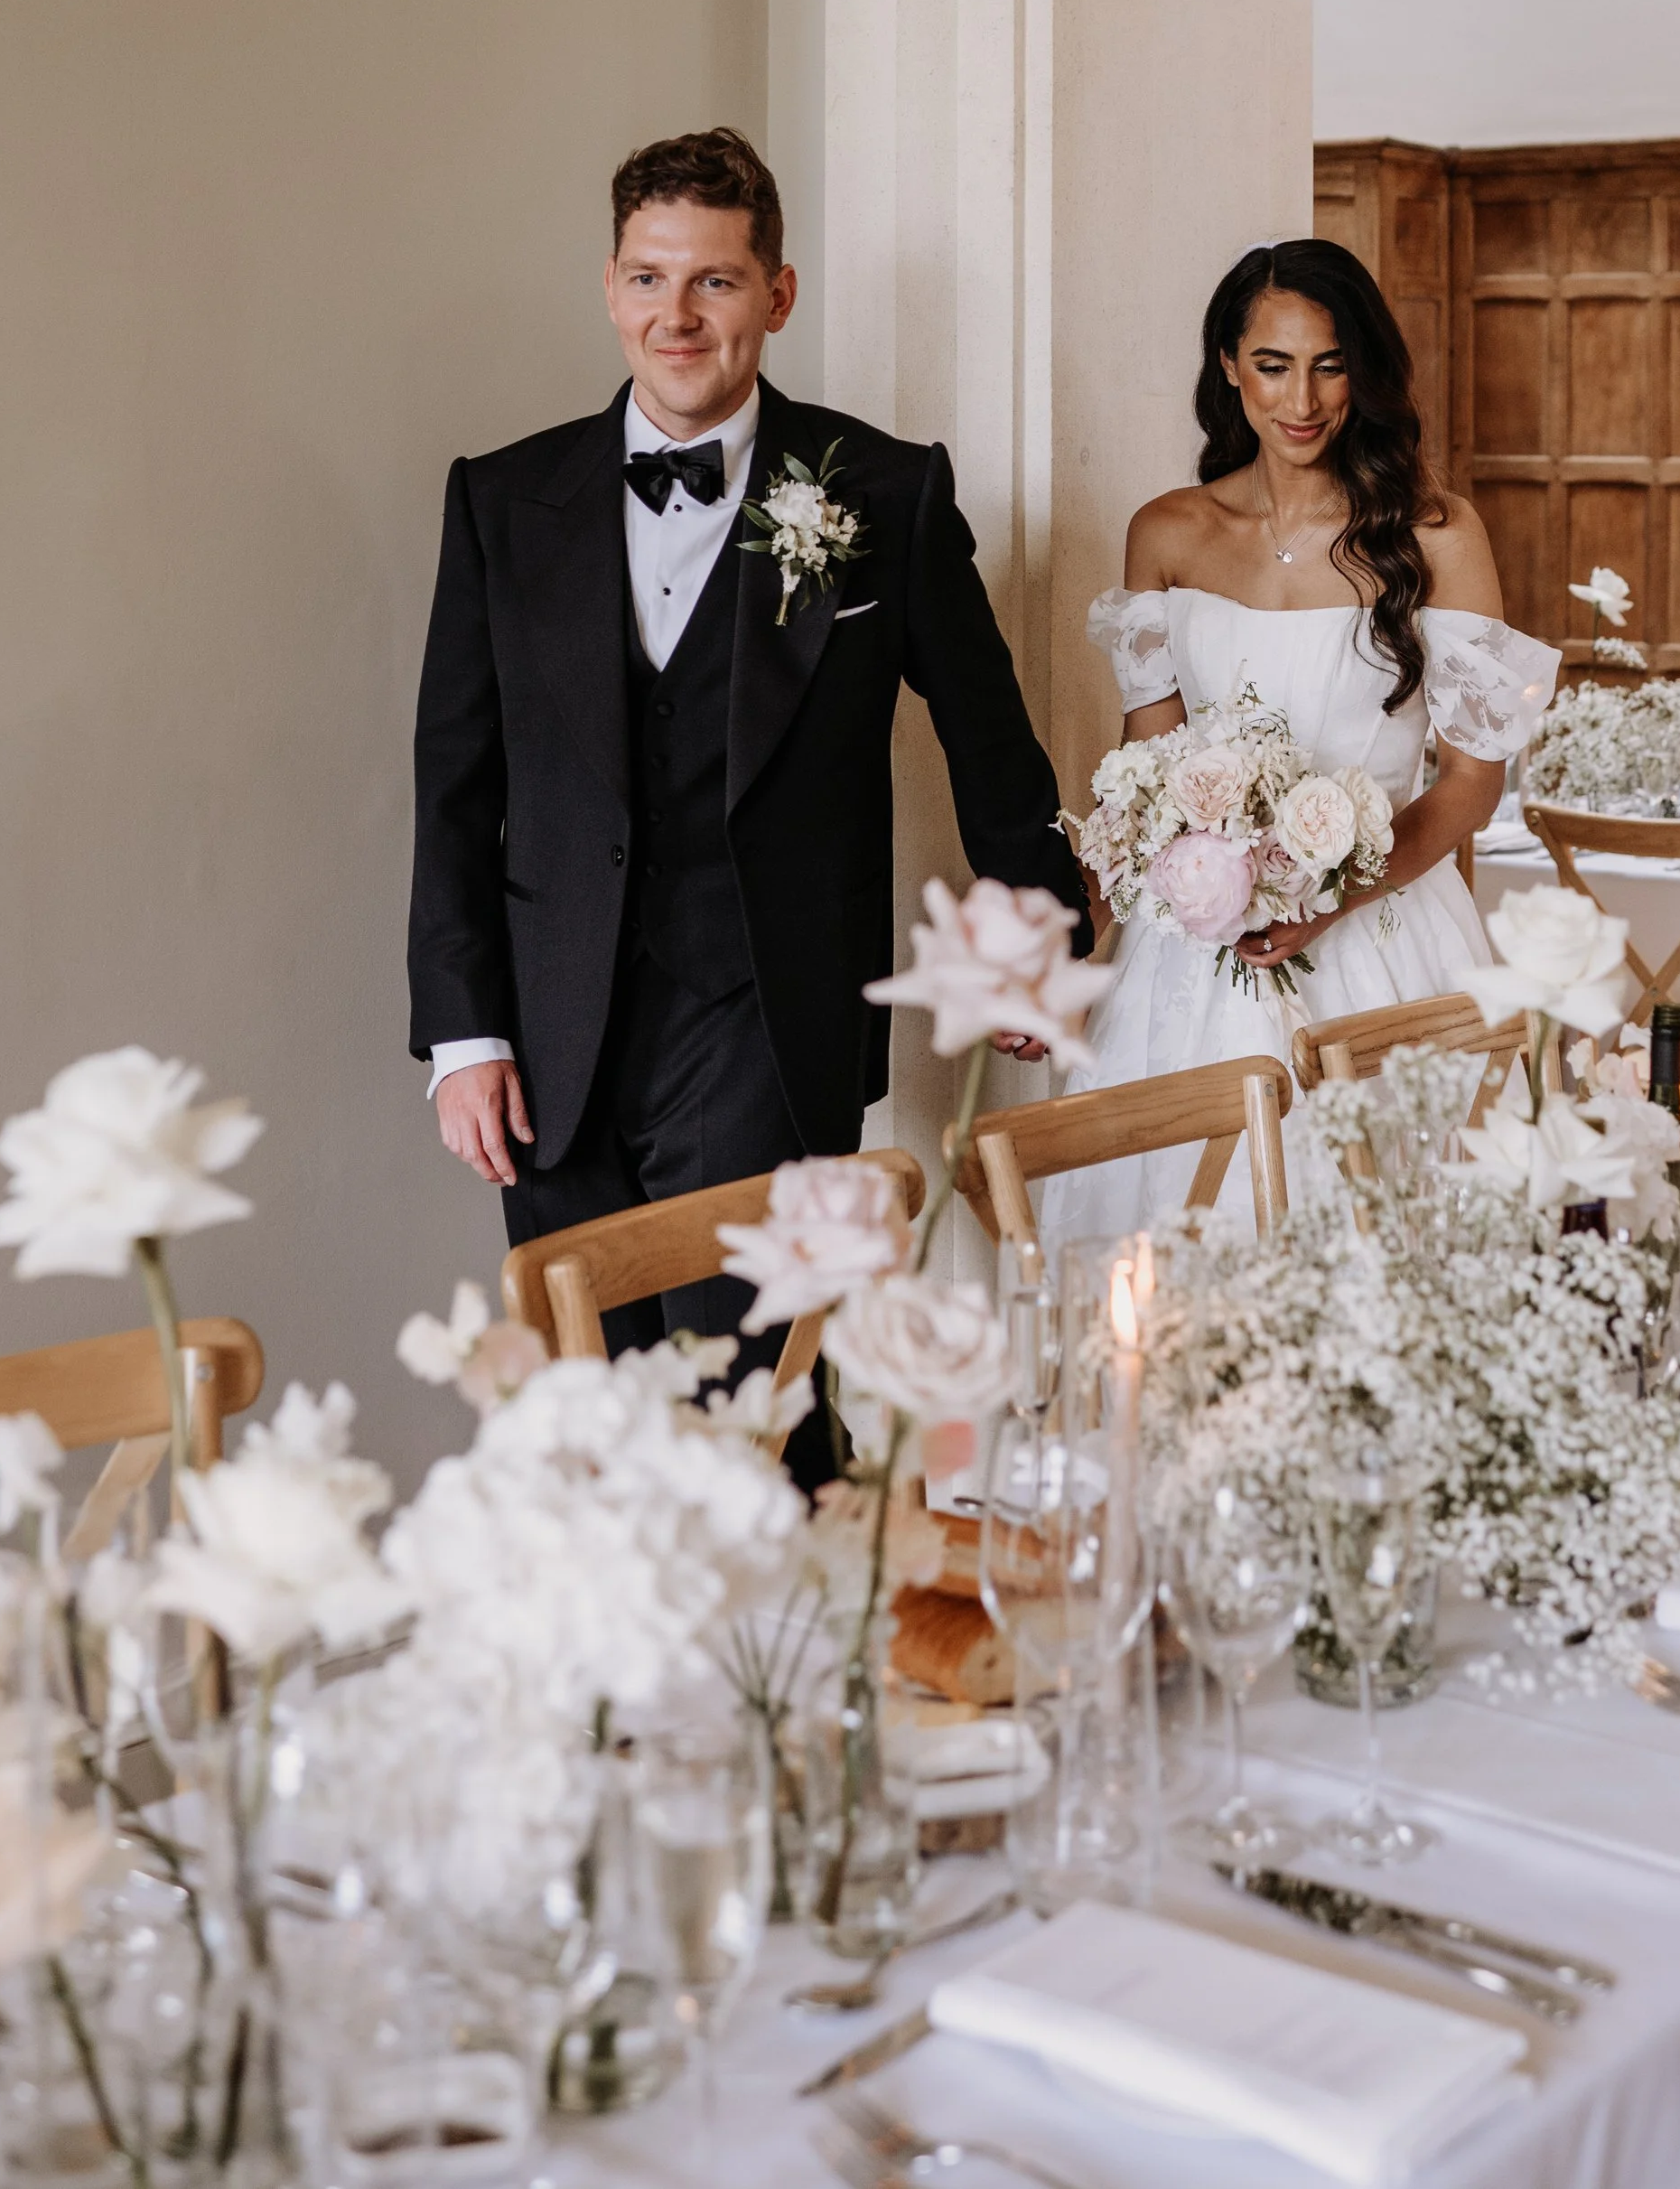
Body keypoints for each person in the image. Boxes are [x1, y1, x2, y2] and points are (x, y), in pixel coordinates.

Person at [406, 124, 1089, 1374]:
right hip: (552, 1047)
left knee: (748, 1401)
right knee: (586, 1412)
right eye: (649, 278)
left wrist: (1036, 938)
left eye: (714, 280)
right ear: (610, 287)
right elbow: (455, 787)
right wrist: (466, 1034)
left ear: (775, 294)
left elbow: (991, 737)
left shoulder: (886, 494)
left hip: (767, 1027)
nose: (678, 315)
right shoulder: (502, 501)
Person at [1042, 237, 1558, 1245]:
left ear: (1363, 369)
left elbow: (1468, 786)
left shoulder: (1438, 535)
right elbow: (1141, 781)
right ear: (1228, 365)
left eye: (1329, 363)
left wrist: (1331, 897)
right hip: (1184, 960)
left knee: (1390, 1244)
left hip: (1385, 935)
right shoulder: (1166, 532)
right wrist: (1068, 946)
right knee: (1177, 1253)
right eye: (1273, 364)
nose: (1303, 399)